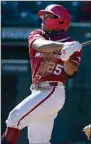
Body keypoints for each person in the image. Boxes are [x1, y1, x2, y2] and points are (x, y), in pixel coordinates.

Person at [1, 4, 82, 144]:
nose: (43, 19)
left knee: (14, 118)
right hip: (37, 92)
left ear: (61, 20)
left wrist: (66, 58)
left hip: (52, 92)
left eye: (48, 16)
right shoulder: (37, 34)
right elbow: (40, 45)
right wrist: (62, 47)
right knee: (38, 142)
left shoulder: (72, 45)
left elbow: (71, 72)